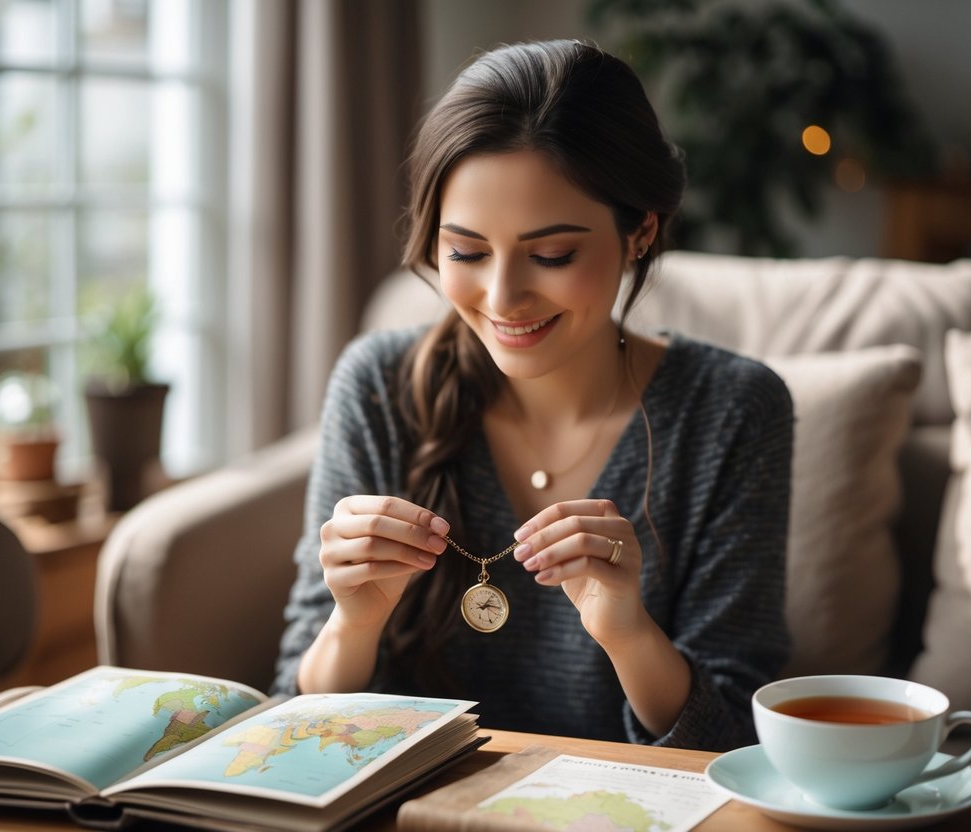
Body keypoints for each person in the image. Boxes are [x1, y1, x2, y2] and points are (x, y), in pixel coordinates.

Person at [271, 39, 793, 751]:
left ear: (639, 231)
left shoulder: (732, 410)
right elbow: (296, 720)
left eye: (551, 255)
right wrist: (352, 624)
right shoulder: (378, 385)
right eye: (465, 251)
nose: (501, 297)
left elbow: (737, 741)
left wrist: (627, 631)